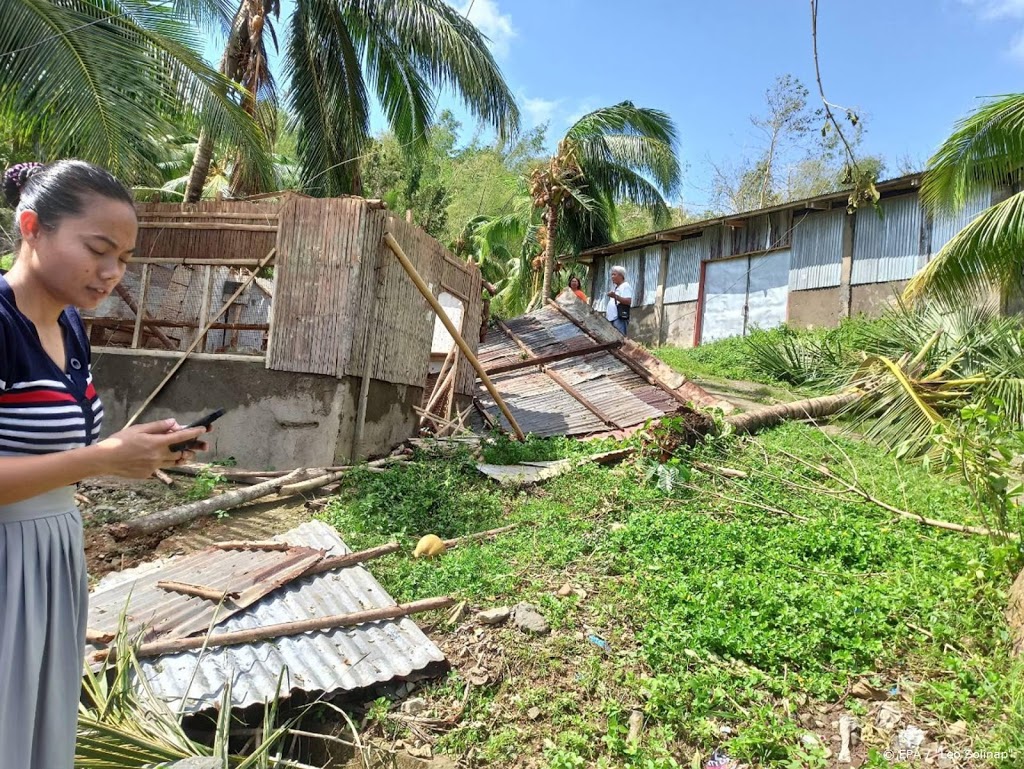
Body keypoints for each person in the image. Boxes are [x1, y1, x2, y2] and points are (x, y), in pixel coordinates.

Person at [0, 160, 211, 769]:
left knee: (39, 730)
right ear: (33, 227)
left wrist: (137, 446)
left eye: (123, 257)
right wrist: (103, 459)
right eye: (98, 250)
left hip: (55, 555)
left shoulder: (70, 325)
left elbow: (55, 450)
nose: (113, 273)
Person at [605, 265, 633, 336]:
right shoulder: (617, 287)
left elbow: (628, 301)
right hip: (612, 318)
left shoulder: (625, 286)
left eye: (614, 274)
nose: (612, 277)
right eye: (611, 275)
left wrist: (615, 296)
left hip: (619, 318)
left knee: (620, 338)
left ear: (621, 276)